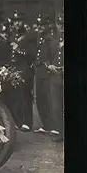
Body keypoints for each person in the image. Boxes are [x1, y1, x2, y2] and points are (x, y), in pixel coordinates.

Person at [34, 13, 64, 142]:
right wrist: (49, 65)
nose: (61, 26)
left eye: (63, 24)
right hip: (54, 76)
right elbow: (47, 56)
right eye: (59, 24)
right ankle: (61, 132)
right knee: (56, 107)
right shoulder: (52, 39)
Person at [7, 11, 37, 131]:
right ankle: (17, 121)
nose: (17, 24)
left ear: (23, 22)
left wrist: (18, 48)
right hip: (14, 69)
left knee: (25, 95)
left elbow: (32, 54)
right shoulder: (12, 35)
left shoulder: (30, 36)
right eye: (15, 22)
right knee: (15, 95)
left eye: (19, 21)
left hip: (25, 69)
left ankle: (27, 122)